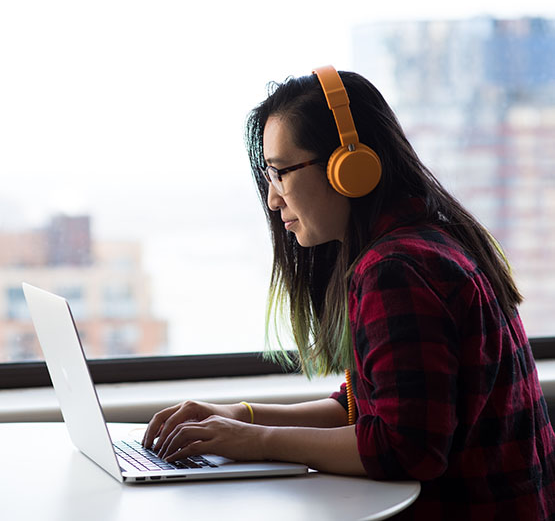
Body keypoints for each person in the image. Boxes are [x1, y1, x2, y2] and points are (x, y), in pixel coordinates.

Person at [143, 66, 555, 519]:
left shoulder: (396, 270)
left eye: (281, 172)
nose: (273, 198)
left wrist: (256, 442)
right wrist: (242, 416)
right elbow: (363, 406)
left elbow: (406, 447)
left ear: (349, 166)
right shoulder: (425, 241)